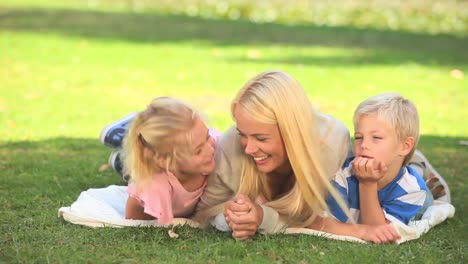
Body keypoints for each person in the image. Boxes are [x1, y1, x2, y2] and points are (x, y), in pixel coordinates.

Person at [193, 70, 401, 243]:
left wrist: (261, 216)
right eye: (243, 135)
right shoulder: (231, 145)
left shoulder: (330, 143)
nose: (248, 149)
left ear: (291, 132)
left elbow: (311, 216)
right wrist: (230, 216)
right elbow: (202, 213)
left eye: (261, 138)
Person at [102, 97, 219, 224]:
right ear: (165, 161)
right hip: (149, 169)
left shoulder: (217, 144)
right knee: (129, 166)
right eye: (198, 151)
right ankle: (120, 142)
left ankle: (123, 149)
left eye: (207, 136)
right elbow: (134, 211)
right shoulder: (153, 184)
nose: (210, 149)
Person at [326, 93, 429, 226]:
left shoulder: (413, 189)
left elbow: (378, 229)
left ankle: (420, 165)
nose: (363, 145)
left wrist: (366, 184)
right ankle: (416, 162)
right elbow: (330, 222)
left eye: (376, 138)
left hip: (421, 198)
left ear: (405, 146)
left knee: (428, 202)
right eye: (358, 137)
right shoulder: (341, 174)